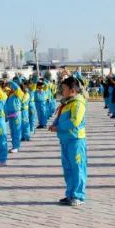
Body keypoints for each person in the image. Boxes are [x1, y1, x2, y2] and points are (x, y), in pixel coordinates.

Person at [48, 76, 87, 205]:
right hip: (65, 139)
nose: (62, 91)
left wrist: (58, 128)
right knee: (68, 168)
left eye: (64, 89)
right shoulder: (67, 102)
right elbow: (60, 117)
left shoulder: (78, 103)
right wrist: (54, 124)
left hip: (75, 139)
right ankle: (70, 194)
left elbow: (74, 121)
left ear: (73, 90)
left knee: (77, 168)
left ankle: (78, 195)